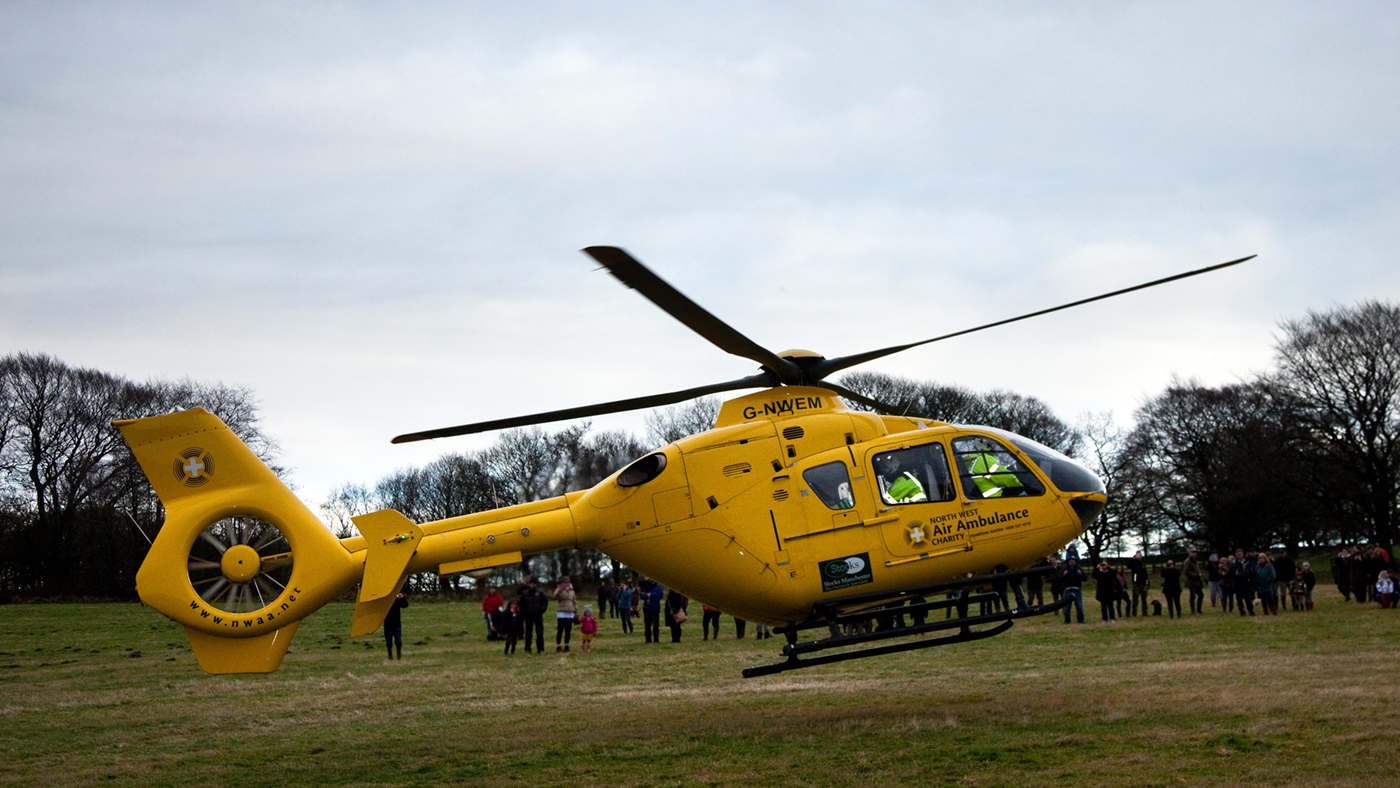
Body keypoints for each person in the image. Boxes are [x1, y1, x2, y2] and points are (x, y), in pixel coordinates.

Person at [517, 577, 549, 653]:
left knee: (540, 633)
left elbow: (545, 602)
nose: (532, 585)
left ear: (536, 584)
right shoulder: (525, 593)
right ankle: (527, 648)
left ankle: (540, 648)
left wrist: (541, 610)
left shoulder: (540, 593)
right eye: (531, 583)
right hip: (528, 616)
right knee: (528, 633)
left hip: (538, 615)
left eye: (534, 583)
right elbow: (521, 603)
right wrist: (525, 611)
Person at [553, 576, 578, 652]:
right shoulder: (560, 590)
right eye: (565, 582)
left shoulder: (572, 591)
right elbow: (554, 596)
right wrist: (559, 589)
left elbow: (574, 601)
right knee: (560, 629)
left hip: (570, 612)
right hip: (562, 611)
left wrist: (576, 611)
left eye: (568, 582)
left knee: (568, 630)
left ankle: (567, 644)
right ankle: (558, 645)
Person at [1059, 557, 1086, 624]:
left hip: (1077, 589)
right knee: (1067, 606)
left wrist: (1081, 574)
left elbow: (1085, 579)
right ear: (1068, 562)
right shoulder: (1065, 569)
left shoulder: (1079, 569)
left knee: (1079, 606)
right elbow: (1060, 579)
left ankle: (1080, 620)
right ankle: (1067, 620)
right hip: (1067, 589)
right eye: (1070, 561)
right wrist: (1064, 575)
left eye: (1073, 561)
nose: (1072, 563)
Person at [383, 592, 408, 660]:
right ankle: (390, 656)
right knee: (389, 642)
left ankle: (398, 657)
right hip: (388, 624)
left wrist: (402, 598)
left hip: (396, 624)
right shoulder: (385, 601)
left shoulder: (396, 600)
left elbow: (405, 605)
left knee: (398, 641)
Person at [1127, 552, 1149, 616]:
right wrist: (1132, 559)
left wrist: (1147, 583)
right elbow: (1128, 566)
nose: (1139, 557)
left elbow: (1146, 575)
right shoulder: (1133, 564)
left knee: (1144, 599)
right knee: (1135, 599)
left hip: (1144, 583)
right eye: (1138, 555)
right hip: (1136, 584)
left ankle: (1145, 612)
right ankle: (1134, 612)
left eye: (1140, 555)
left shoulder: (1143, 565)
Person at [1183, 549, 1204, 614]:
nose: (1194, 554)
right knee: (1193, 595)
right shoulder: (1188, 561)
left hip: (1197, 581)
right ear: (1189, 553)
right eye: (1192, 552)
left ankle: (1199, 610)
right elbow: (1186, 571)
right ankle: (1193, 611)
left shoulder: (1195, 561)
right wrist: (1194, 575)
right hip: (1192, 581)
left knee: (1201, 595)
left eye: (1195, 552)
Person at [643, 579, 664, 644]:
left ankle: (656, 639)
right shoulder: (645, 587)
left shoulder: (657, 587)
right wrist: (646, 596)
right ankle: (648, 639)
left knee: (655, 624)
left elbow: (660, 595)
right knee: (647, 625)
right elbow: (642, 595)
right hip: (647, 608)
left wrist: (651, 595)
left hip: (655, 608)